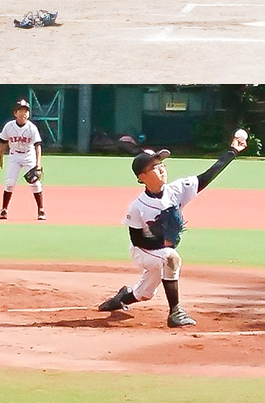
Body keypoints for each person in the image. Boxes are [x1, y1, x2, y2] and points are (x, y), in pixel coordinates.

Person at [95, 130, 249, 328]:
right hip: (143, 251)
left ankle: (122, 298)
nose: (161, 169)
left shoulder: (177, 190)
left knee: (144, 294)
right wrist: (164, 241)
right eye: (154, 166)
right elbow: (137, 240)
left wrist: (232, 151)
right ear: (142, 176)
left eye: (161, 164)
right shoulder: (137, 206)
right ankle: (175, 312)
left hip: (159, 250)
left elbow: (207, 176)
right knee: (171, 257)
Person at [0, 100, 45, 220]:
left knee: (35, 183)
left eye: (26, 111)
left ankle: (41, 210)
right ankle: (4, 210)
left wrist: (38, 164)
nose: (24, 113)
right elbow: (3, 142)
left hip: (29, 156)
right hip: (14, 156)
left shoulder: (32, 128)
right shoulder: (9, 126)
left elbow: (38, 146)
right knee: (9, 183)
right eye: (21, 111)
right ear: (15, 113)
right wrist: (0, 158)